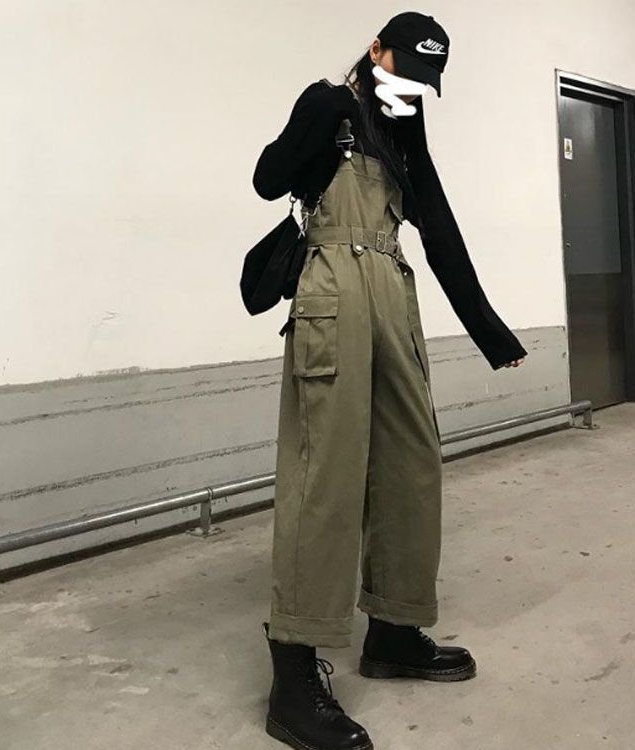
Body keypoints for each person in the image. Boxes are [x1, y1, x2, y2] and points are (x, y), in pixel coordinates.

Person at [252, 11, 527, 750]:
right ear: (376, 51)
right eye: (405, 69)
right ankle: (293, 676)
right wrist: (325, 116)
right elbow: (267, 178)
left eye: (424, 81)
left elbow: (436, 222)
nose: (412, 88)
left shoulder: (403, 130)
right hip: (332, 290)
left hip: (393, 293)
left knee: (412, 463)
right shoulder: (326, 103)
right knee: (326, 475)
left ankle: (395, 631)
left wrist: (488, 328)